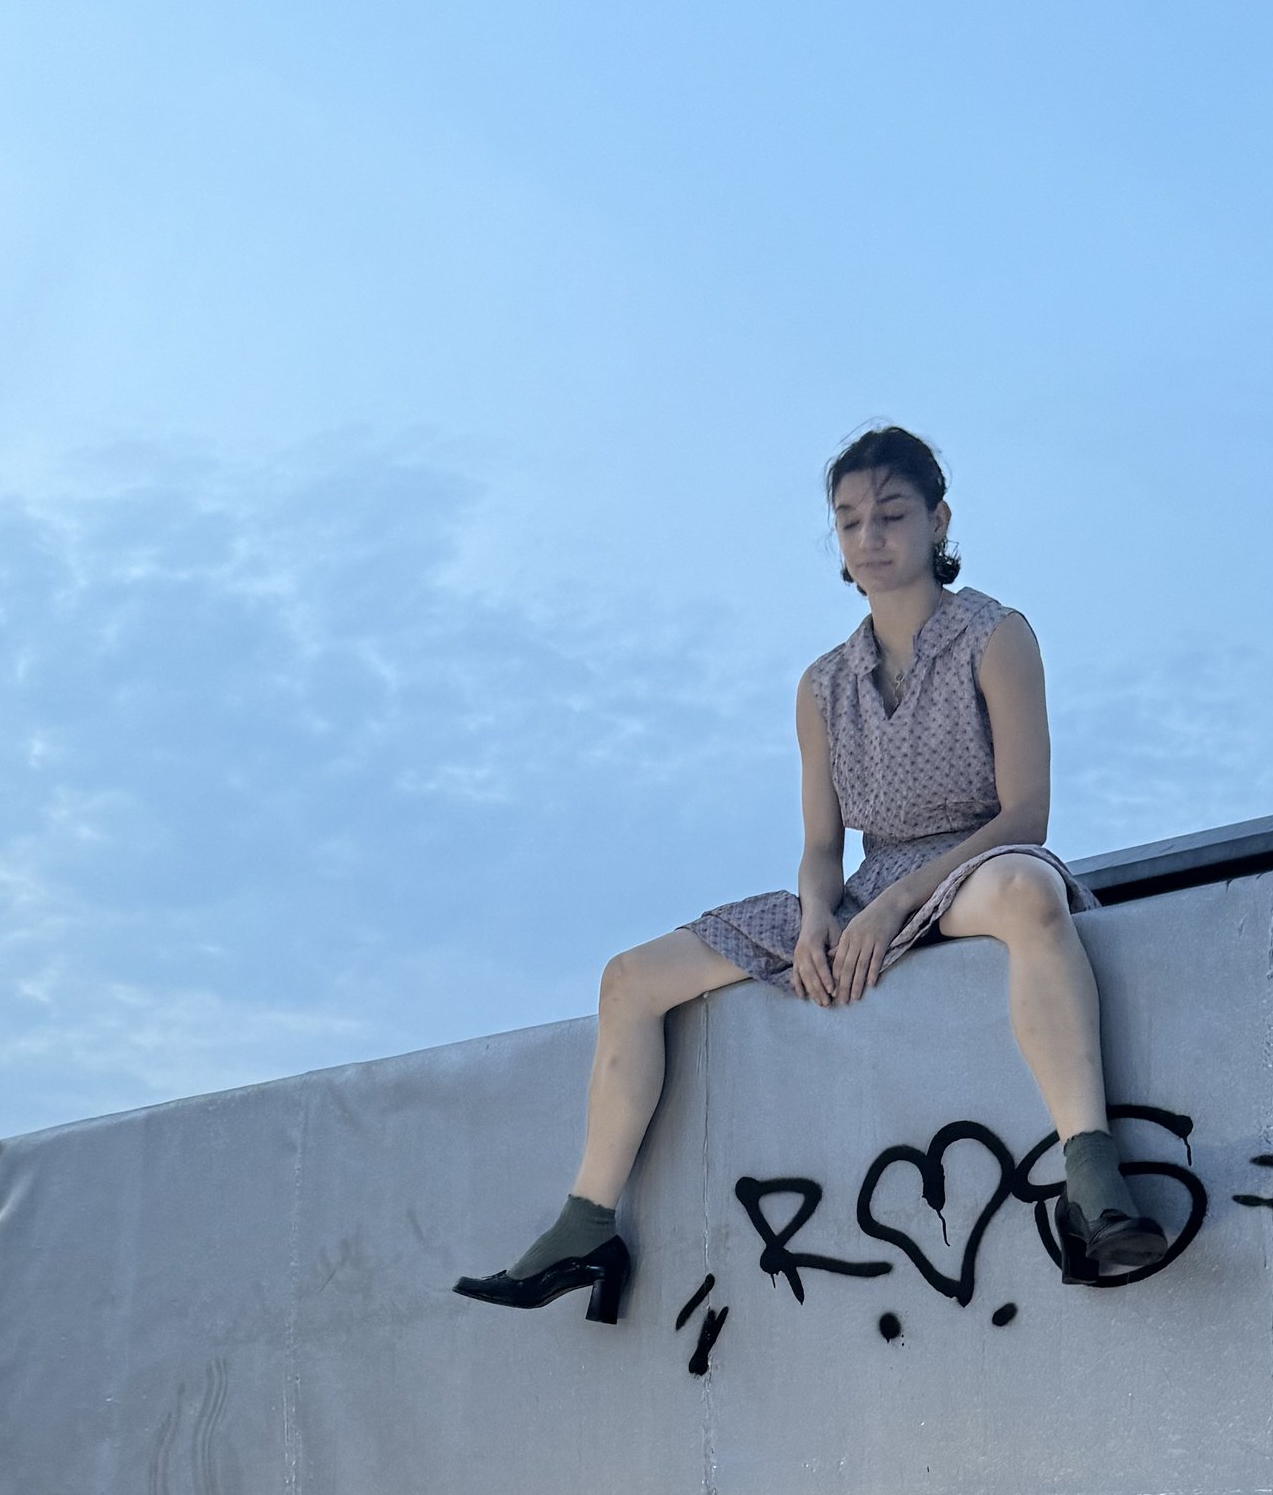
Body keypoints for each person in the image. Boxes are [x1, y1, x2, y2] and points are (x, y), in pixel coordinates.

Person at [456, 425, 1166, 1321]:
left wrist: (894, 905)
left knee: (1031, 893)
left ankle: (1092, 1181)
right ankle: (587, 1224)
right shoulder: (822, 686)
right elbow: (823, 846)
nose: (871, 536)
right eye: (850, 519)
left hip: (975, 865)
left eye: (893, 513)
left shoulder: (997, 636)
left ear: (940, 521)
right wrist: (818, 918)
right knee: (629, 978)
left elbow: (1026, 815)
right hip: (864, 890)